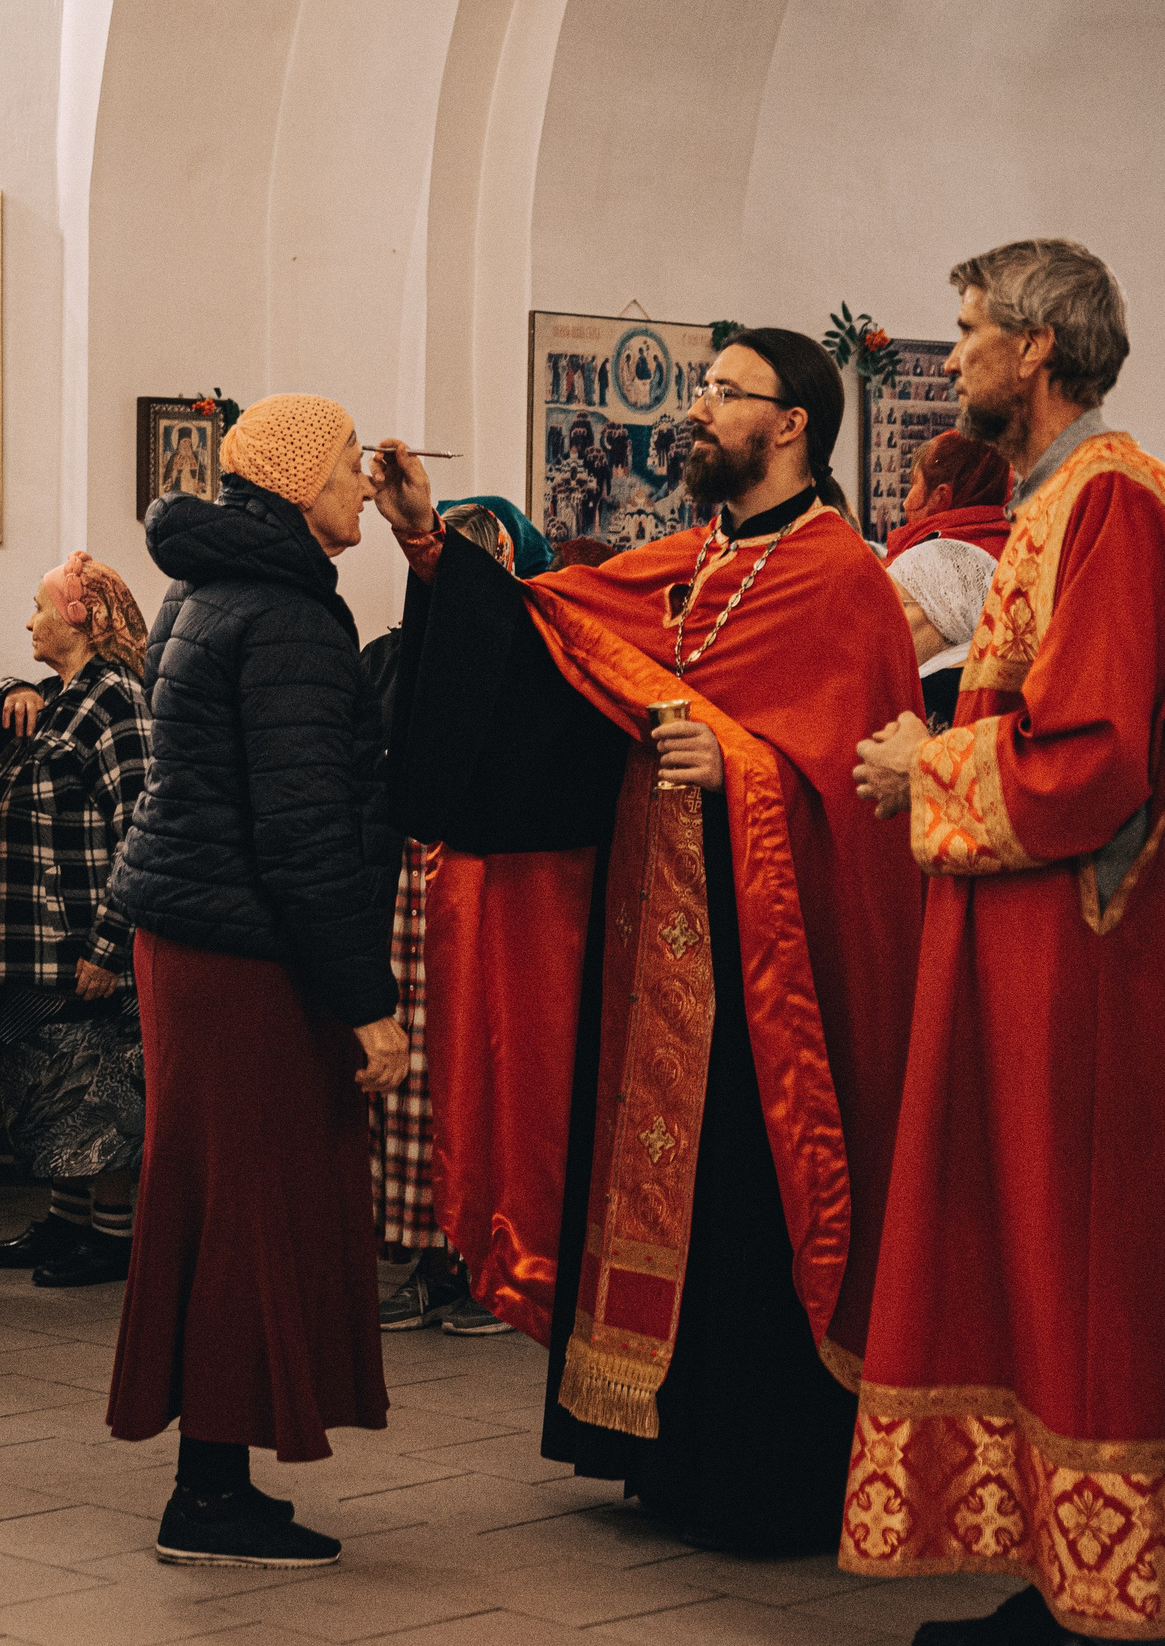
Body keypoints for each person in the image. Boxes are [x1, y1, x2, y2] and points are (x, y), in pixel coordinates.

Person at [847, 238, 1165, 1646]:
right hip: (1046, 950)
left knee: (1091, 1260)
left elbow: (1093, 764)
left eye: (969, 330)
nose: (953, 358)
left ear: (1038, 349)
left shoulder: (1111, 501)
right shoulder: (1065, 496)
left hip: (1096, 959)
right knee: (1044, 1260)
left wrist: (923, 771)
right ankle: (1072, 1569)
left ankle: (1114, 1602)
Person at [378, 330, 923, 1555]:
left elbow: (856, 779)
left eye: (722, 394)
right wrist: (427, 544)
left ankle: (757, 1462)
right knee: (635, 1170)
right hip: (643, 938)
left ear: (790, 424)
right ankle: (652, 1446)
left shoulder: (839, 578)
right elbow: (549, 630)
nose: (698, 408)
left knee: (736, 1189)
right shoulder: (689, 560)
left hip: (759, 961)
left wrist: (732, 764)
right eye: (700, 388)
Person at [105, 392, 408, 1568]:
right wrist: (366, 999)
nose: (362, 487)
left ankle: (218, 1468)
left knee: (223, 1197)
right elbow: (303, 832)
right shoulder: (285, 615)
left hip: (200, 932)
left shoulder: (211, 584)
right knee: (244, 1204)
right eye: (345, 467)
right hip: (243, 949)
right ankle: (207, 1496)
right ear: (293, 488)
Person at [367, 495, 542, 1338]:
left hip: (498, 885)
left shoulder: (533, 650)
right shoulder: (398, 654)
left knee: (485, 1066)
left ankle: (493, 1262)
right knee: (423, 1082)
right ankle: (431, 1257)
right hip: (417, 882)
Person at [0, 552, 152, 1289]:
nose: (29, 621)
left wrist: (109, 942)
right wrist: (10, 686)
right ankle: (67, 1220)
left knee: (100, 1090)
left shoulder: (116, 699)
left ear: (79, 617)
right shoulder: (57, 696)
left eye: (41, 606)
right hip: (36, 944)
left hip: (84, 942)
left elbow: (141, 825)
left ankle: (113, 1238)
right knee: (57, 1086)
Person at [887, 532, 998, 729]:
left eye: (901, 604)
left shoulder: (931, 693)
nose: (887, 616)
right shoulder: (996, 676)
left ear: (949, 612)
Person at [881, 429, 1013, 562]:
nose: (906, 502)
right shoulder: (1017, 544)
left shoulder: (926, 557)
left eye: (914, 483)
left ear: (942, 495)